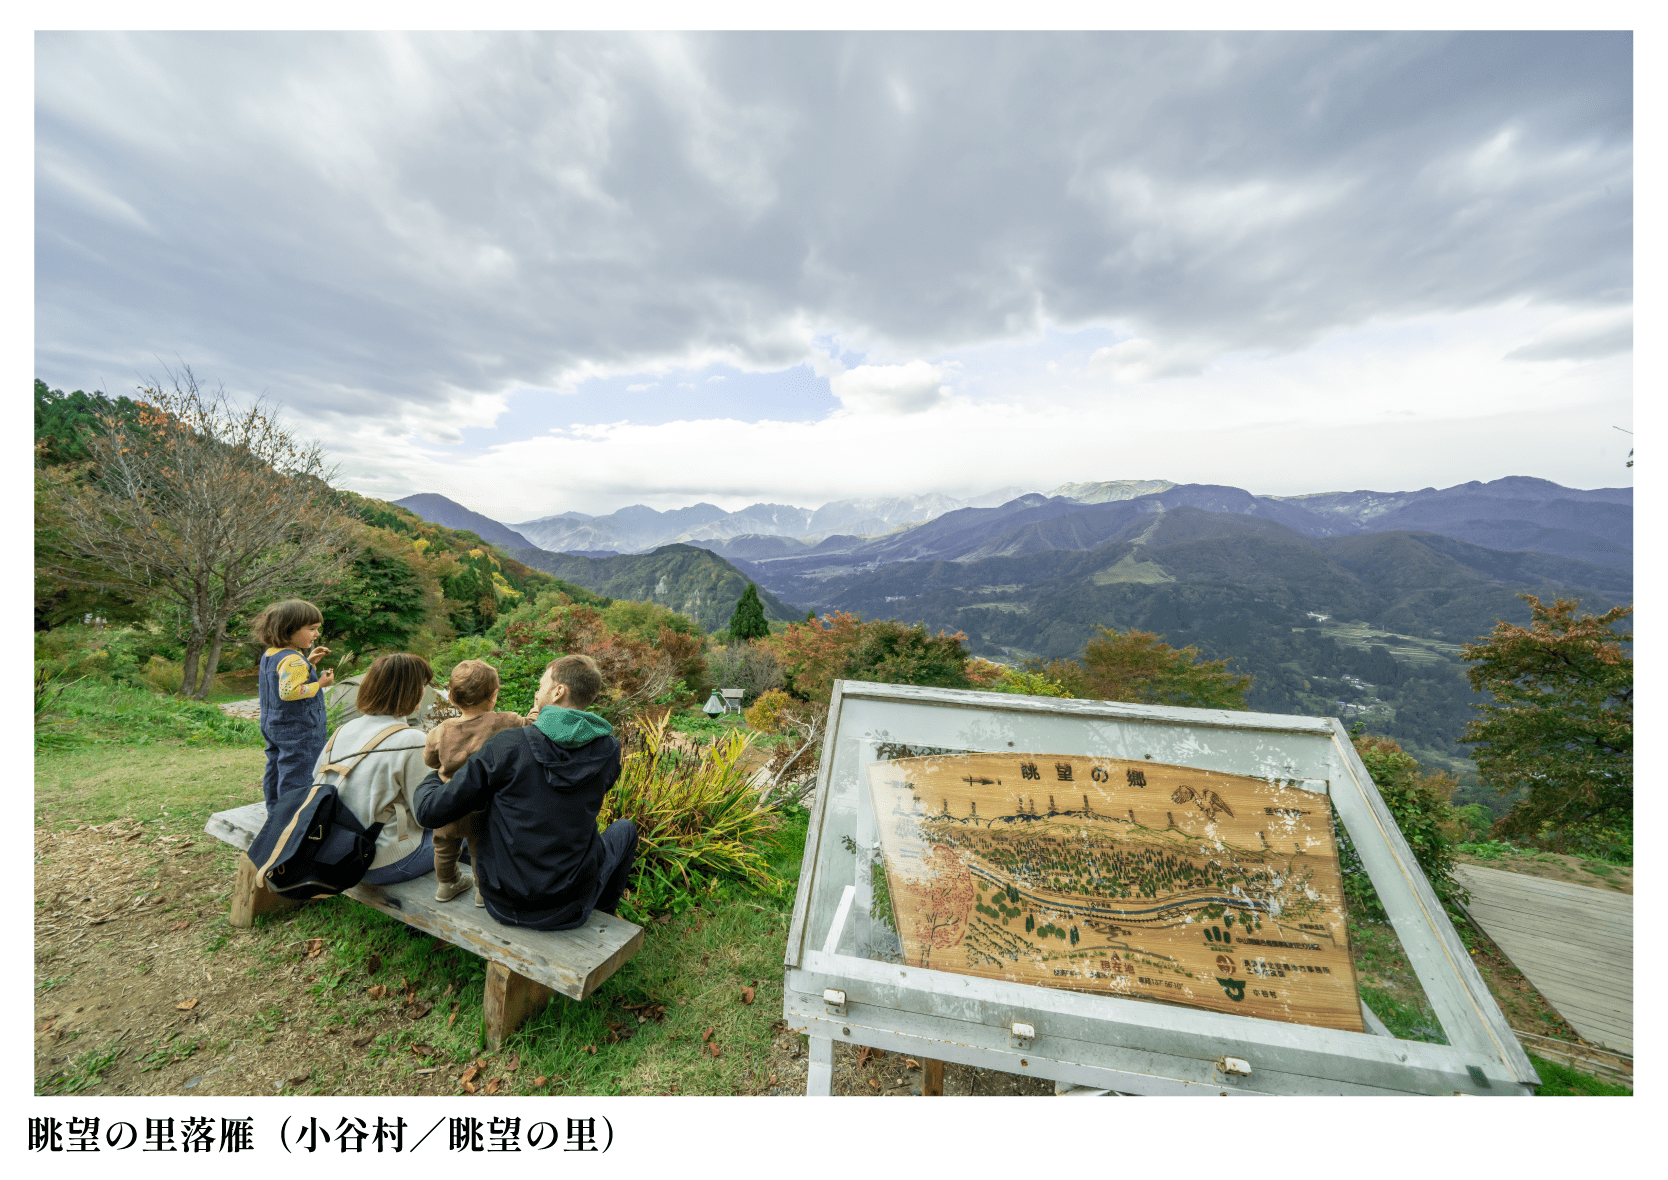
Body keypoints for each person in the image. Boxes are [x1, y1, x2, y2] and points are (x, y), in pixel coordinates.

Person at [412, 655, 636, 931]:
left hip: (502, 900)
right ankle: (601, 912)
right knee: (625, 830)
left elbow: (430, 812)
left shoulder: (507, 746)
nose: (536, 691)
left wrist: (437, 776)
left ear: (558, 691)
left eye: (542, 684)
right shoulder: (609, 750)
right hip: (569, 904)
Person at [313, 652, 437, 886]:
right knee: (468, 828)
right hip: (378, 862)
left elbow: (317, 785)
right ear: (410, 690)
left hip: (335, 851)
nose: (424, 691)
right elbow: (426, 816)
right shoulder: (412, 739)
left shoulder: (343, 730)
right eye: (422, 685)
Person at [424, 659, 530, 905]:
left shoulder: (440, 731)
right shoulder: (504, 721)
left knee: (443, 846)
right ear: (494, 696)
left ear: (451, 698)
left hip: (448, 803)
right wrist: (537, 707)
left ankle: (446, 885)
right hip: (484, 808)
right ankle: (483, 892)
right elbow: (532, 725)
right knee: (481, 850)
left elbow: (430, 760)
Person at [254, 599, 336, 808]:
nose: (317, 634)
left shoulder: (271, 653)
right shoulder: (294, 660)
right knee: (298, 771)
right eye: (312, 629)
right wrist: (320, 683)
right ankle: (292, 814)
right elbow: (289, 691)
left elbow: (285, 677)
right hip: (298, 727)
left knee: (275, 765)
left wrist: (310, 662)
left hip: (273, 723)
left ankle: (275, 810)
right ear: (289, 629)